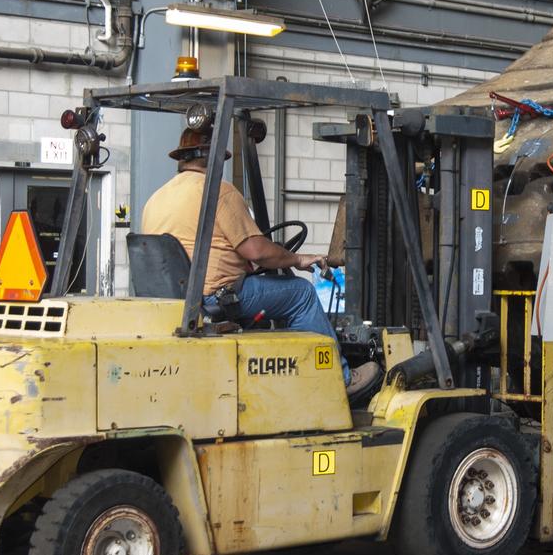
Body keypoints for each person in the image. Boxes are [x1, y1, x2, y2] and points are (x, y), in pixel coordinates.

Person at [141, 127, 379, 390]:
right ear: (212, 157)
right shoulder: (218, 192)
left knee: (273, 291)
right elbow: (257, 251)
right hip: (216, 296)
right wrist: (297, 260)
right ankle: (340, 380)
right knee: (301, 293)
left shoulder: (156, 198)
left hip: (176, 300)